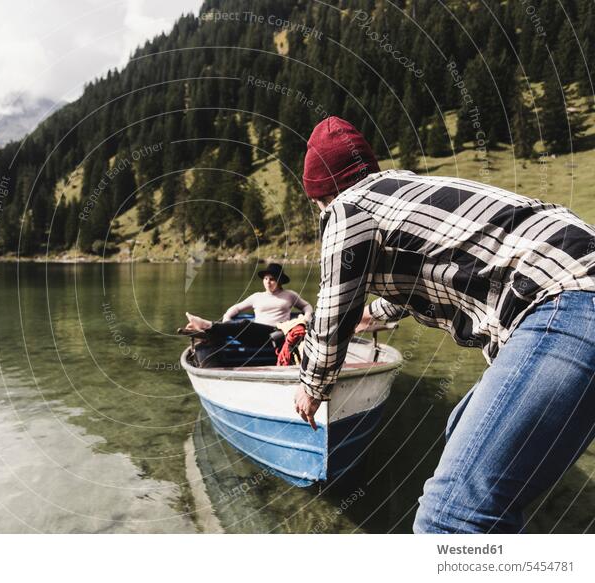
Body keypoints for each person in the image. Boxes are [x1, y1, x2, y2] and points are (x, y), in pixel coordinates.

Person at [294, 115, 595, 534]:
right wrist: (373, 314)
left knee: (448, 519)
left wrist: (312, 386)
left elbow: (332, 310)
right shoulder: (403, 193)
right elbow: (447, 265)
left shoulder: (348, 208)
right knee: (459, 427)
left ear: (320, 196)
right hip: (576, 287)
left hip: (566, 301)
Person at [183, 263, 313, 347]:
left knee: (245, 325)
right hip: (255, 336)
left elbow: (307, 306)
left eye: (272, 279)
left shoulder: (289, 295)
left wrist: (306, 317)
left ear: (279, 280)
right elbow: (236, 308)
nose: (268, 282)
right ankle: (208, 330)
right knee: (243, 327)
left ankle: (206, 326)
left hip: (277, 334)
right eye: (266, 279)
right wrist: (227, 319)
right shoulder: (257, 297)